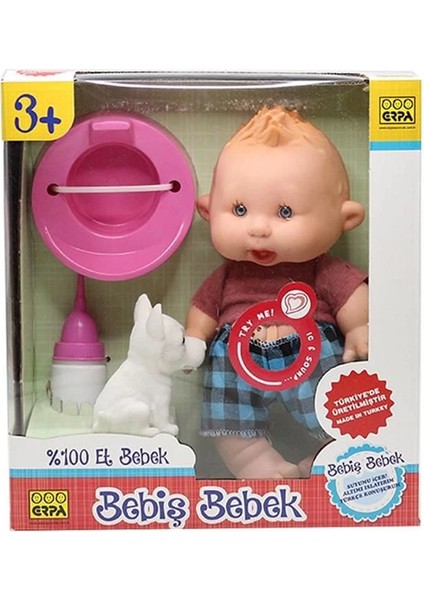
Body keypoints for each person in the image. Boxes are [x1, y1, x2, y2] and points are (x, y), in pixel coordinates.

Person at [185, 106, 368, 478]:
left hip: (310, 351)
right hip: (236, 359)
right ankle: (256, 463)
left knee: (339, 407)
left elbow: (351, 295)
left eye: (284, 212)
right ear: (207, 209)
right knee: (228, 419)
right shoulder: (227, 275)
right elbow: (203, 311)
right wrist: (192, 340)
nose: (258, 228)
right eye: (239, 209)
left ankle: (332, 455)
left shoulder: (321, 271)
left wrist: (359, 328)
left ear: (344, 217)